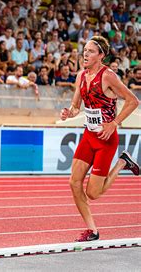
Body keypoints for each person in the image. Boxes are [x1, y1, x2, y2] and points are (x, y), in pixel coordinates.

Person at [60, 36, 139, 242]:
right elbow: (76, 106)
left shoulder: (108, 76)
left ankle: (122, 162)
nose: (85, 54)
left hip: (106, 139)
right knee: (73, 182)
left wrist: (114, 123)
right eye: (84, 50)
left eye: (91, 51)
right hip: (89, 136)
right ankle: (92, 230)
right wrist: (69, 112)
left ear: (101, 55)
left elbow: (133, 101)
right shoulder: (80, 76)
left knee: (93, 193)